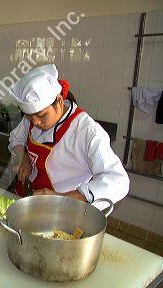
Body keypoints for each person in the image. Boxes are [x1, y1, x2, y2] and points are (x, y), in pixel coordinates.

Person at [8, 64, 129, 205]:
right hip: (25, 199)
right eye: (29, 116)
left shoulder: (87, 132)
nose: (35, 122)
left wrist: (62, 197)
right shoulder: (33, 117)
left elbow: (118, 180)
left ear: (59, 101)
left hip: (60, 210)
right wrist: (24, 159)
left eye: (41, 115)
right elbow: (16, 138)